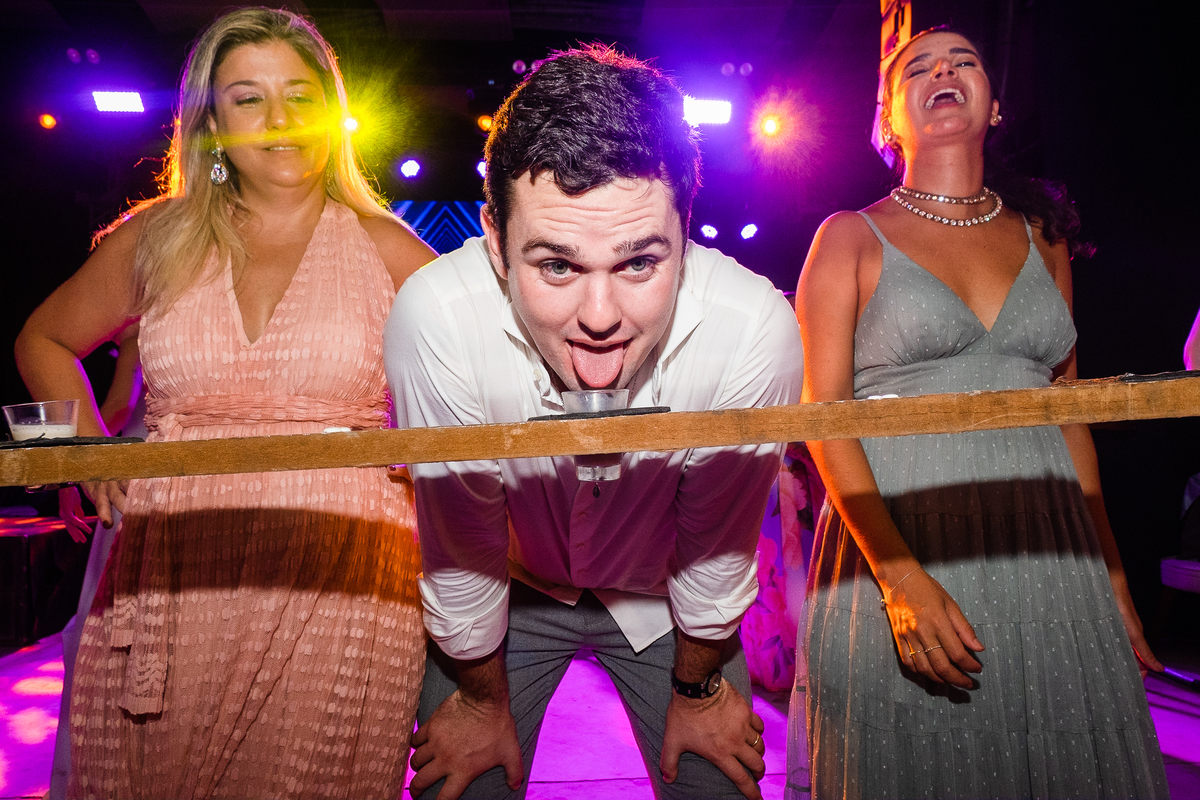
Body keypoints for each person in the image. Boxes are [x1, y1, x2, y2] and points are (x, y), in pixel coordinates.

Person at [15, 7, 436, 798]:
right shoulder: (159, 239)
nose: (280, 120)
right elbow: (41, 339)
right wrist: (81, 451)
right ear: (211, 123)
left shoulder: (384, 249)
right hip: (176, 572)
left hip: (339, 575)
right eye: (249, 98)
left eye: (300, 96)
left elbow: (486, 371)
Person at [384, 44, 804, 800]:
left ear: (685, 231)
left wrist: (698, 691)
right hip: (505, 590)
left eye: (639, 263)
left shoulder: (751, 328)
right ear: (495, 242)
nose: (601, 317)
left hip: (668, 599)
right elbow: (463, 541)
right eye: (557, 266)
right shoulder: (437, 315)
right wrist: (479, 700)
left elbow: (715, 547)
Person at [790, 27, 1168, 798]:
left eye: (964, 61)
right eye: (918, 68)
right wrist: (900, 579)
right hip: (903, 538)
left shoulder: (1045, 238)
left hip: (1047, 551)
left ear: (995, 106)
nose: (944, 71)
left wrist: (1114, 579)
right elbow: (823, 418)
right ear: (888, 120)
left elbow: (1071, 417)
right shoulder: (849, 237)